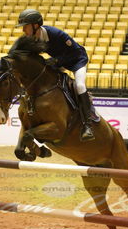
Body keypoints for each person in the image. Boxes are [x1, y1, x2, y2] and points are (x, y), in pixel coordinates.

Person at [15, 9, 95, 141]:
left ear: (35, 26)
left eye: (25, 26)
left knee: (80, 86)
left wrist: (57, 61)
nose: (23, 30)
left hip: (77, 60)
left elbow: (74, 53)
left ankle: (87, 125)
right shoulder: (32, 39)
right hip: (59, 62)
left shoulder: (56, 34)